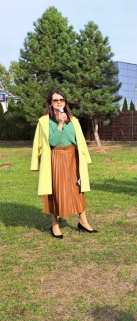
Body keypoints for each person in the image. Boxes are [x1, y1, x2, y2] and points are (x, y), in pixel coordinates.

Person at [31, 89, 98, 238]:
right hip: (56, 158)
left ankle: (83, 221)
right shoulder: (45, 121)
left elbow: (78, 140)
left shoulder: (73, 120)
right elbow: (53, 141)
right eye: (55, 100)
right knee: (56, 191)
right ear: (50, 103)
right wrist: (60, 123)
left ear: (65, 102)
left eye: (61, 99)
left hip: (72, 157)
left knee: (78, 189)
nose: (59, 102)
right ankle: (54, 225)